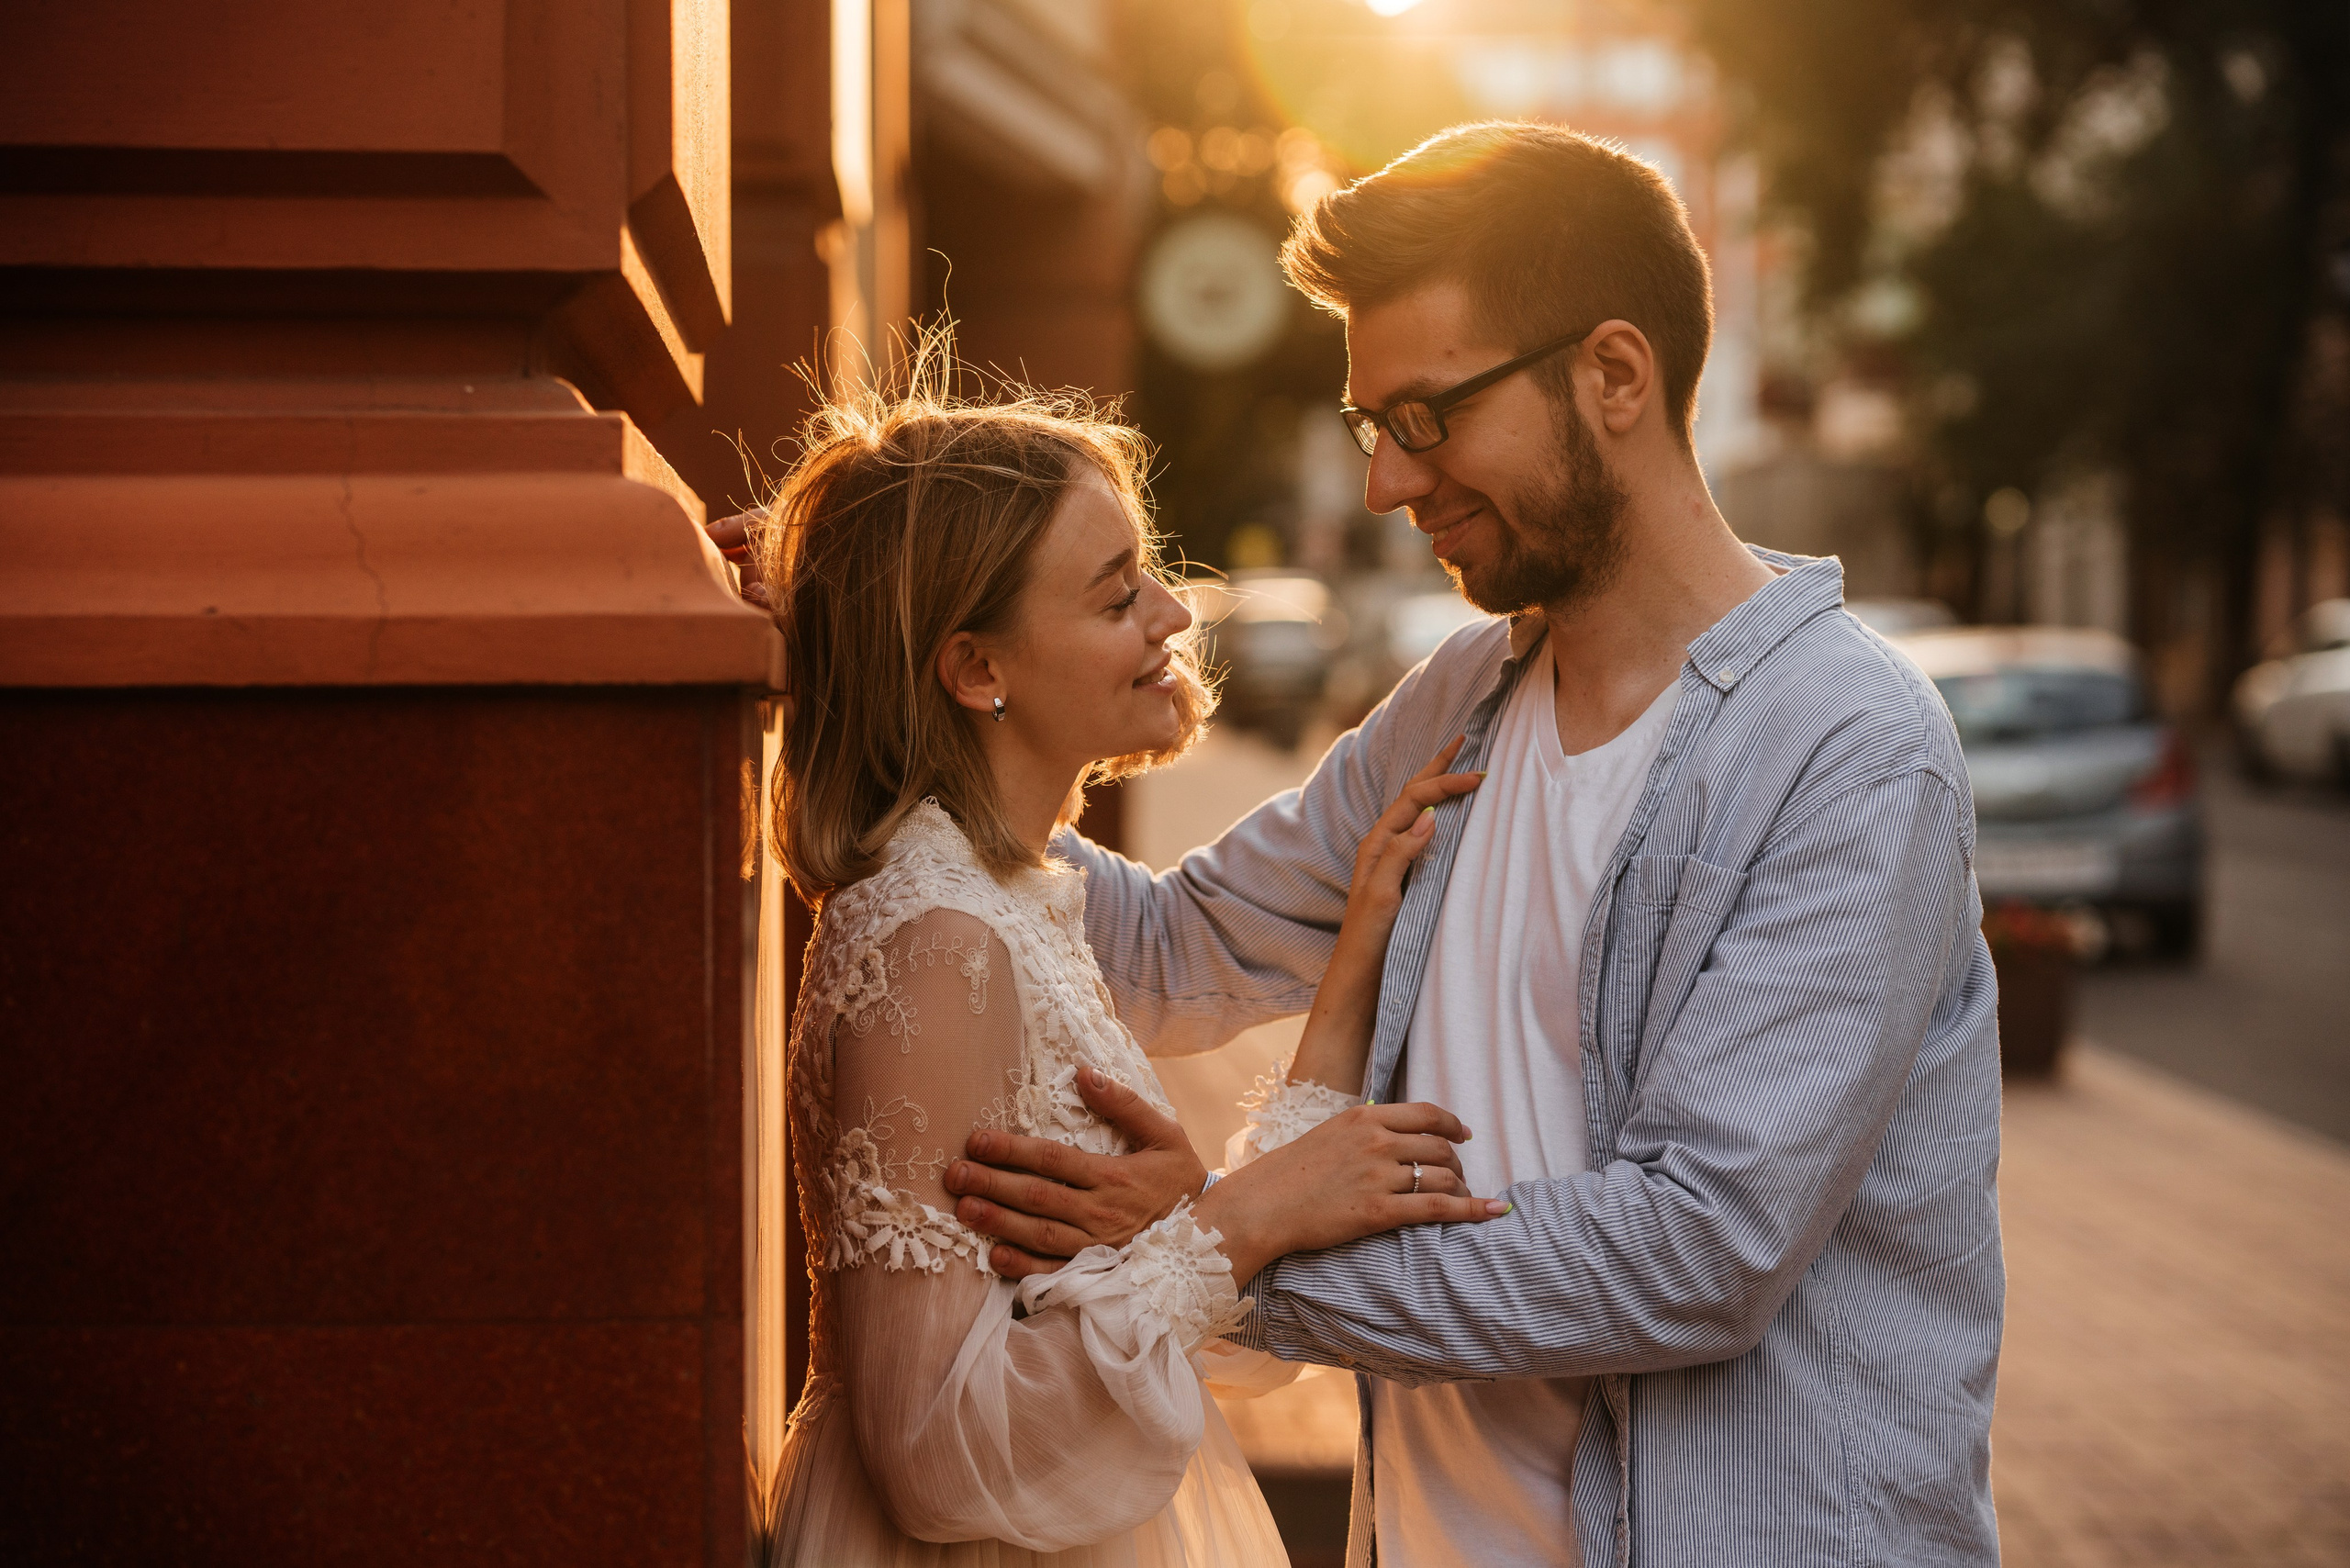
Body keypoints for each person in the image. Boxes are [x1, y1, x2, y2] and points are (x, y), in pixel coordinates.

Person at [942, 121, 2005, 1567]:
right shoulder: (1463, 699)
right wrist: (880, 683)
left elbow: (1698, 1251)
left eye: (1427, 418)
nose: (1388, 481)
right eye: (1368, 427)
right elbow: (1177, 947)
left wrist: (1230, 1252)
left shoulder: (1847, 748)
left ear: (1614, 376)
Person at [747, 353, 1510, 1567]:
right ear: (977, 670)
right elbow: (936, 1462)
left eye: (1147, 574)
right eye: (1114, 599)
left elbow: (1160, 1327)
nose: (1172, 615)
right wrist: (1235, 1221)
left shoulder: (1023, 894)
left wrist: (1359, 947)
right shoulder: (933, 945)